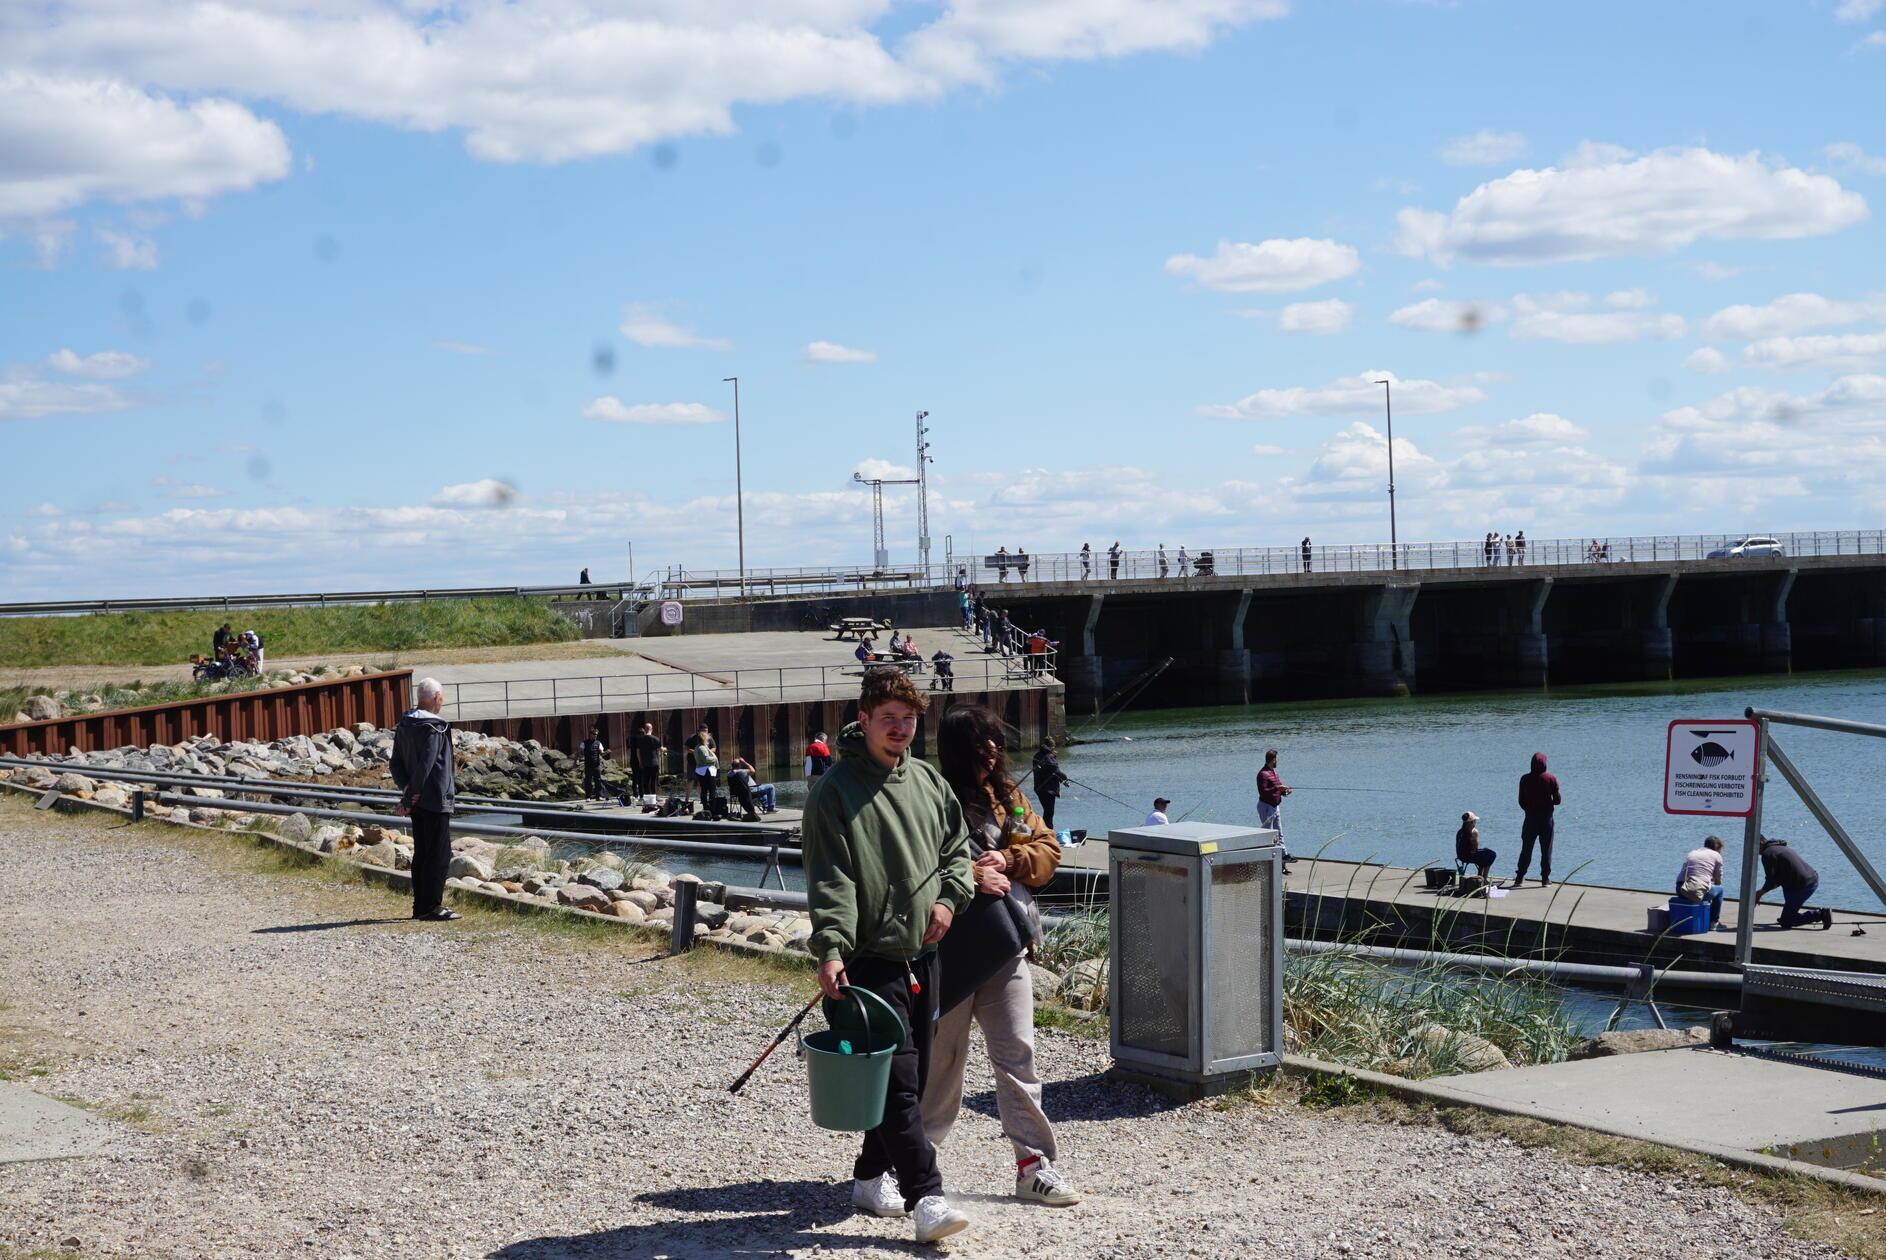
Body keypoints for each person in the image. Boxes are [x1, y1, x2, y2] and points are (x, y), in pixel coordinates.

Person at [804, 668, 975, 1244]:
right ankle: (926, 1198)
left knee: (911, 1077)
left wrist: (949, 901)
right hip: (867, 962)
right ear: (864, 719)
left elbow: (958, 852)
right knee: (901, 1082)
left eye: (908, 719)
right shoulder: (833, 793)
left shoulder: (928, 782)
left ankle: (868, 1176)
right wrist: (831, 950)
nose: (899, 729)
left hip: (924, 956)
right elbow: (830, 880)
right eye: (888, 719)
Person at [923, 705, 1080, 1209]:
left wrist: (1009, 859)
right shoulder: (930, 796)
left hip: (1007, 945)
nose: (990, 753)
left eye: (994, 743)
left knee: (1018, 1055)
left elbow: (1048, 853)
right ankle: (917, 1164)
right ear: (957, 750)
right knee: (942, 1064)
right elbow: (913, 866)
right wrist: (970, 871)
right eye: (979, 745)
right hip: (949, 949)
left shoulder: (1009, 797)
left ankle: (1034, 1166)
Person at [391, 677, 459, 921]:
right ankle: (431, 906)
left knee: (422, 853)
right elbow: (427, 764)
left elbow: (395, 763)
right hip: (435, 799)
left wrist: (408, 790)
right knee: (438, 855)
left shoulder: (405, 725)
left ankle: (419, 906)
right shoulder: (436, 727)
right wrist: (412, 794)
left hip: (418, 800)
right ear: (437, 698)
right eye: (441, 697)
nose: (442, 701)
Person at [1756, 836, 1833, 930]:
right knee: (1788, 913)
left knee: (1786, 922)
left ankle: (1821, 914)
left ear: (1760, 842)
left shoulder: (1768, 854)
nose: (1753, 850)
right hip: (1811, 878)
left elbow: (1771, 882)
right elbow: (1776, 880)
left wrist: (1759, 893)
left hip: (1802, 885)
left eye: (1752, 845)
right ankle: (1788, 915)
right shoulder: (1780, 847)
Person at [1512, 752, 1561, 887]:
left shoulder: (1524, 779)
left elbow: (1521, 801)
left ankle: (1519, 877)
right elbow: (1557, 800)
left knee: (1526, 849)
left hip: (1530, 819)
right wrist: (1548, 801)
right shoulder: (1551, 778)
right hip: (1546, 819)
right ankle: (1545, 879)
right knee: (1546, 849)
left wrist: (1529, 810)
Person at [1676, 835, 1728, 931]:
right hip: (1695, 890)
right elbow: (1718, 880)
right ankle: (1714, 922)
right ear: (1717, 847)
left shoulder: (1692, 853)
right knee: (1720, 890)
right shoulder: (1717, 856)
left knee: (1704, 887)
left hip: (1681, 889)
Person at [1256, 748, 1292, 866]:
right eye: (1277, 759)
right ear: (1272, 760)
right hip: (1266, 806)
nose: (1278, 761)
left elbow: (1277, 790)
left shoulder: (1274, 773)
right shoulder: (1262, 774)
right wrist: (1278, 788)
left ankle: (1284, 855)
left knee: (1279, 832)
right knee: (1268, 834)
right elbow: (1264, 791)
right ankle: (1266, 859)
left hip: (1275, 806)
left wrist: (1285, 792)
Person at [1030, 738, 1069, 828]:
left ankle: (1044, 830)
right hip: (1048, 789)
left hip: (1039, 788)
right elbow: (1057, 772)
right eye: (1054, 746)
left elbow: (1050, 772)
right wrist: (1065, 778)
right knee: (1049, 812)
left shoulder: (1037, 755)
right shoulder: (1049, 757)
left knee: (1047, 811)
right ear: (1051, 746)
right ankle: (1047, 831)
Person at [1455, 811, 1496, 881]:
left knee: (1484, 853)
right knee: (1492, 854)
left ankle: (1480, 875)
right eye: (1475, 821)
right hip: (1468, 856)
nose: (1476, 822)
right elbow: (1475, 848)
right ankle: (1484, 878)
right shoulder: (1474, 832)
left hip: (1461, 856)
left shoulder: (1460, 831)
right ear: (1472, 822)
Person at [686, 723, 718, 810]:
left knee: (702, 785)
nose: (705, 733)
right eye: (703, 731)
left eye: (706, 731)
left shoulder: (709, 738)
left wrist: (707, 751)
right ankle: (687, 800)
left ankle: (703, 802)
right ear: (698, 731)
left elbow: (714, 748)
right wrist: (698, 753)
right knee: (691, 780)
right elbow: (687, 748)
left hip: (703, 765)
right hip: (694, 762)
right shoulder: (693, 738)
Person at [629, 721, 663, 799]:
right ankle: (652, 796)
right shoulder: (653, 739)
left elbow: (637, 751)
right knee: (652, 780)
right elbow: (660, 749)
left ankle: (642, 796)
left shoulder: (637, 739)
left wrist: (640, 762)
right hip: (650, 762)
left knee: (643, 780)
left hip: (640, 762)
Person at [579, 724, 608, 800]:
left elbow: (602, 753)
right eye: (594, 734)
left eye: (596, 735)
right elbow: (580, 752)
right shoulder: (584, 743)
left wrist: (607, 752)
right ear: (590, 734)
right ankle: (588, 796)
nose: (595, 736)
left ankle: (599, 796)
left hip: (596, 765)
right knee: (588, 780)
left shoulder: (598, 743)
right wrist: (577, 758)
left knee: (598, 780)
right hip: (588, 764)